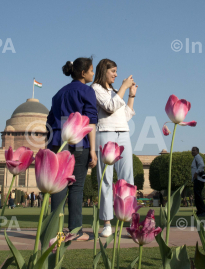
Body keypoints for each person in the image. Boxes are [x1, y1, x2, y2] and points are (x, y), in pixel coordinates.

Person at [46, 57, 98, 241]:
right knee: (76, 188)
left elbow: (50, 122)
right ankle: (75, 230)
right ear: (83, 73)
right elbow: (91, 121)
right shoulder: (87, 91)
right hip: (79, 143)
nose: (93, 74)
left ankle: (53, 230)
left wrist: (51, 148)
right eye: (91, 70)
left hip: (58, 143)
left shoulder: (58, 93)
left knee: (59, 186)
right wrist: (93, 149)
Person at [91, 59, 137, 238]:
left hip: (123, 133)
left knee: (128, 180)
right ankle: (107, 222)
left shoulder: (115, 91)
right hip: (106, 132)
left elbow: (126, 115)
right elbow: (109, 108)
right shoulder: (96, 89)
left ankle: (131, 220)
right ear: (104, 71)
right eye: (113, 71)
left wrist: (131, 95)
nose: (117, 75)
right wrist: (124, 88)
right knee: (106, 179)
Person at [191, 147, 205, 217]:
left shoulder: (198, 157)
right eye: (192, 150)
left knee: (198, 195)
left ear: (197, 151)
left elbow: (202, 165)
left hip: (199, 179)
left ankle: (203, 211)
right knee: (197, 196)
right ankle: (199, 211)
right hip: (197, 179)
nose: (192, 152)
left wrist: (196, 172)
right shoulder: (195, 158)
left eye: (194, 150)